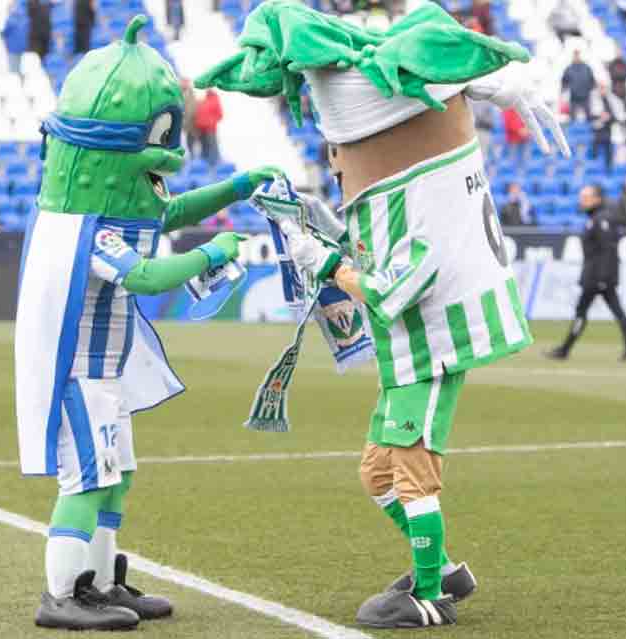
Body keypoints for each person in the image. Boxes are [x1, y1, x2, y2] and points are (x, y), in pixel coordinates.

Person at [199, 1, 570, 628]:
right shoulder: (389, 208)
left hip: (430, 354)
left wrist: (323, 262)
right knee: (377, 473)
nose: (338, 162)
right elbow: (369, 253)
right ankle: (446, 566)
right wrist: (315, 228)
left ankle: (429, 593)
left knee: (413, 469)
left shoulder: (423, 213)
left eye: (343, 151)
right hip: (404, 359)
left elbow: (393, 288)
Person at [15, 17, 286, 631]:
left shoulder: (113, 212)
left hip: (105, 376)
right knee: (85, 481)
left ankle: (104, 582)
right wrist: (213, 253)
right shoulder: (88, 229)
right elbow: (145, 277)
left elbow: (170, 211)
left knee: (115, 481)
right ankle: (61, 594)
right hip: (78, 376)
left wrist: (236, 188)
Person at [547, 184, 626, 362]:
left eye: (586, 197)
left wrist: (603, 278)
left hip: (597, 277)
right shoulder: (596, 218)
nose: (582, 200)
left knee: (583, 312)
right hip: (598, 276)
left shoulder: (601, 219)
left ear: (597, 199)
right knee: (615, 312)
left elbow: (607, 250)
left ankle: (565, 350)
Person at [590, 81, 621, 172]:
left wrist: (608, 117)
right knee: (595, 152)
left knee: (609, 152)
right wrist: (600, 116)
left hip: (609, 129)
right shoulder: (593, 99)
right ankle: (593, 170)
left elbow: (617, 115)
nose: (602, 90)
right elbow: (590, 115)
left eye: (604, 88)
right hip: (598, 130)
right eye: (601, 88)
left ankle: (609, 170)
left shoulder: (612, 100)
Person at [561, 50, 595, 122]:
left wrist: (588, 89)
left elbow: (592, 81)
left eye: (578, 55)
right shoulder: (569, 68)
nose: (577, 57)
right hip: (574, 98)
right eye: (575, 55)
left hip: (585, 97)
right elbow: (564, 82)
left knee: (589, 117)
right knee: (572, 118)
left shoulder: (587, 68)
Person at [194, 88, 223, 165]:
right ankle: (204, 160)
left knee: (212, 144)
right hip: (201, 128)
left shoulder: (215, 100)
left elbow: (220, 115)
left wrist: (211, 122)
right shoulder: (204, 100)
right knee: (203, 144)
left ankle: (215, 161)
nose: (208, 91)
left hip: (210, 128)